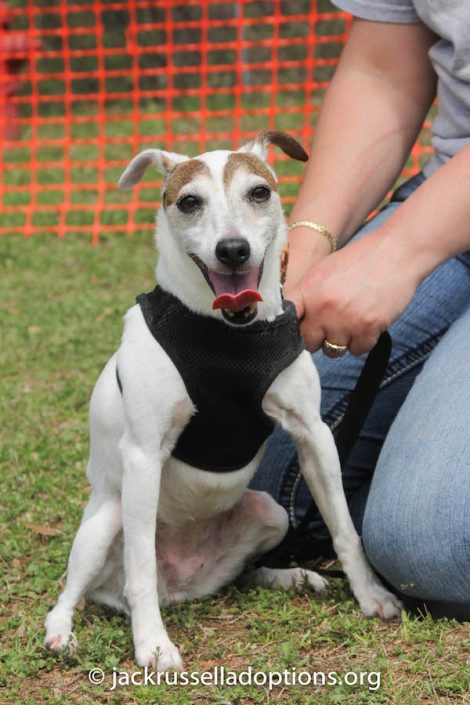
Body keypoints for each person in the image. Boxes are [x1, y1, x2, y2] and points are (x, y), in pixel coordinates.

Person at [250, 0, 470, 618]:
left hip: (426, 228)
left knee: (435, 546)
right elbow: (381, 70)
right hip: (449, 200)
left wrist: (398, 253)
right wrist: (310, 240)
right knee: (240, 482)